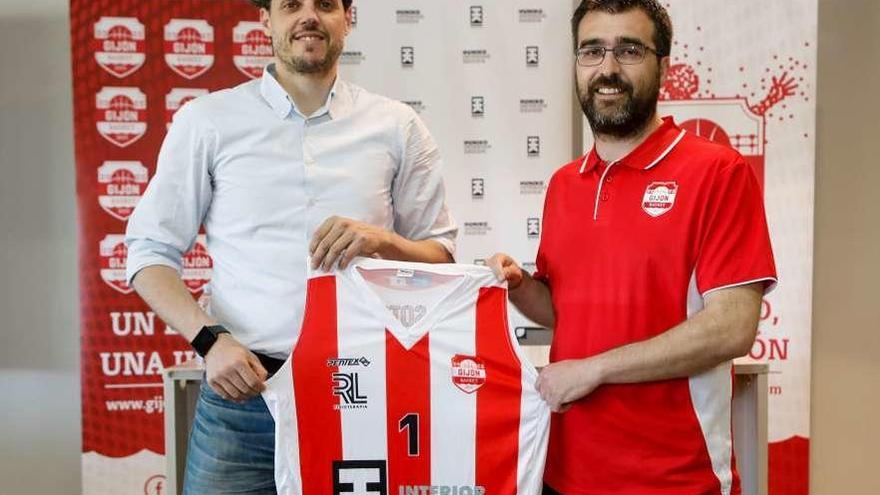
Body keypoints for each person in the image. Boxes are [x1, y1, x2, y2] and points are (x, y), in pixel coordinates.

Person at [124, 0, 456, 493]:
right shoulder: (208, 121)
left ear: (349, 17)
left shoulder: (397, 126)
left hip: (363, 394)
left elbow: (443, 258)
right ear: (266, 20)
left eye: (325, 4)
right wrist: (209, 340)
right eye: (291, 5)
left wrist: (382, 240)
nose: (308, 16)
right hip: (243, 400)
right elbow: (148, 253)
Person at [489, 1, 777, 494]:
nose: (608, 69)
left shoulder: (718, 172)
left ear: (663, 65)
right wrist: (519, 285)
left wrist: (593, 371)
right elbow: (566, 314)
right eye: (592, 51)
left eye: (628, 50)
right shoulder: (564, 184)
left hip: (673, 480)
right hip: (563, 472)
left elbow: (732, 328)